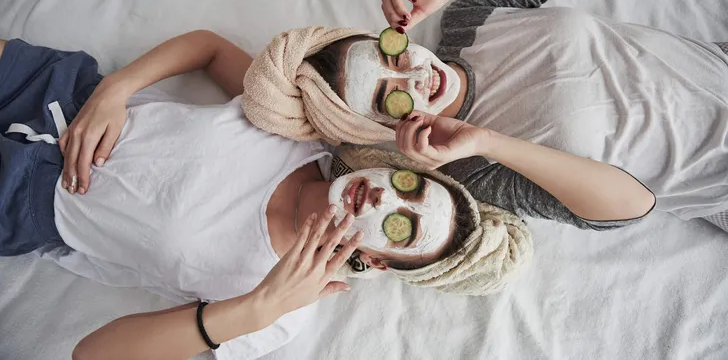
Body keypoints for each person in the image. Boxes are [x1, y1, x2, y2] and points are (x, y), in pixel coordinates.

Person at [0, 35, 550, 359]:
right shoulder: (298, 131)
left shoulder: (279, 314)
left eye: (403, 226)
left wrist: (255, 307)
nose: (383, 201)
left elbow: (92, 355)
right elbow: (208, 47)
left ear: (380, 262)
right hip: (64, 94)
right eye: (412, 188)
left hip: (27, 203)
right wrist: (115, 88)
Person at [240, 0, 728, 232]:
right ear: (380, 127)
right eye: (389, 96)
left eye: (389, 56)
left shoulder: (470, 20)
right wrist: (490, 142)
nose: (413, 75)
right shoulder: (471, 168)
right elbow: (632, 206)